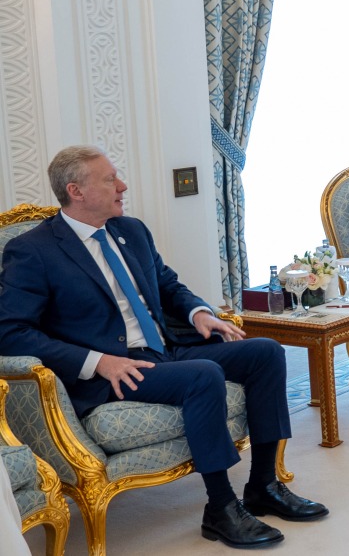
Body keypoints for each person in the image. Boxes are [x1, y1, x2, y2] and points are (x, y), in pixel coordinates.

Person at [0, 146, 328, 549]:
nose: (122, 186)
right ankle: (221, 508)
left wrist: (199, 313)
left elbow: (168, 285)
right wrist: (97, 361)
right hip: (113, 370)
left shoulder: (131, 230)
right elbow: (11, 331)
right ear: (76, 191)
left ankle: (263, 485)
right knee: (203, 375)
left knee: (266, 352)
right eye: (110, 179)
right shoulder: (34, 250)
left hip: (165, 349)